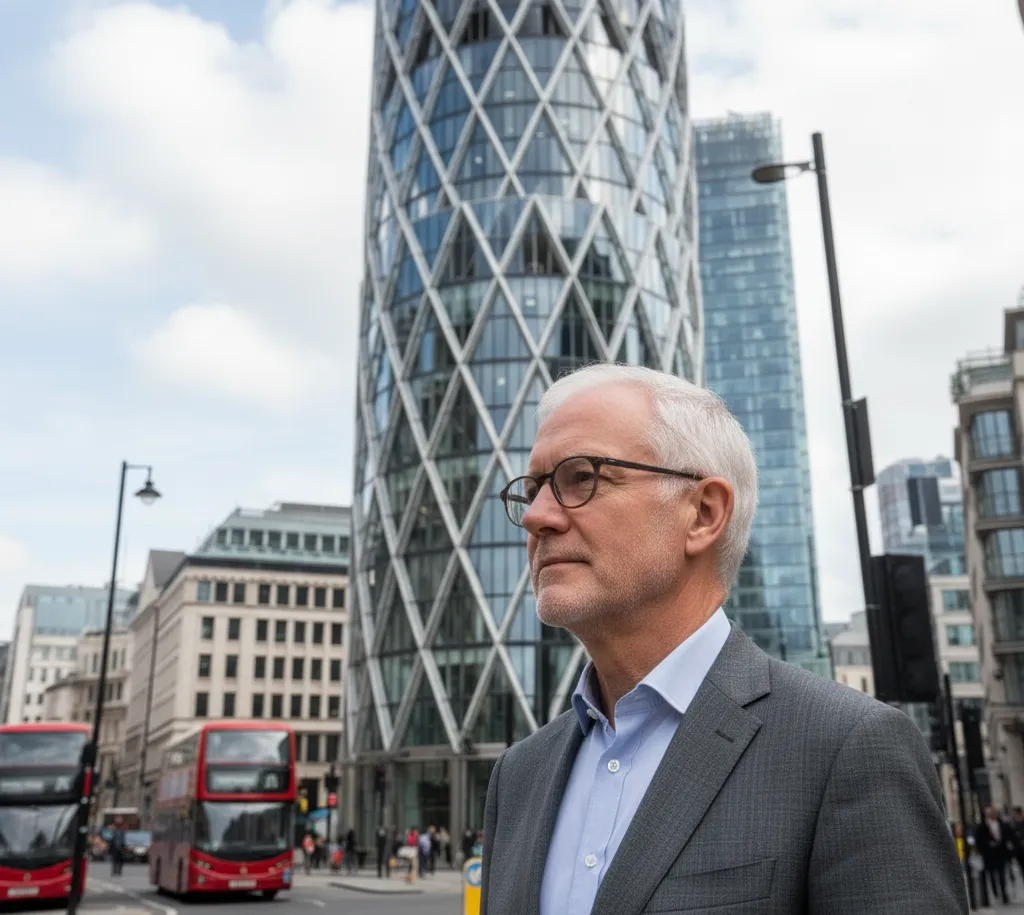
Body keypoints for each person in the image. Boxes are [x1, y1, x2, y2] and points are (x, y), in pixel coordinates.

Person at [479, 364, 968, 915]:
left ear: (704, 514)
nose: (537, 517)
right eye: (534, 489)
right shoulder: (518, 777)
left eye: (581, 477)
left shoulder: (846, 749)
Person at [974, 806, 1014, 903]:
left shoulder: (1002, 824)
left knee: (1002, 875)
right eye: (990, 813)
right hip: (989, 856)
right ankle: (996, 892)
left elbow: (1008, 837)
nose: (992, 814)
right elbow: (979, 840)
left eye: (993, 812)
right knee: (992, 875)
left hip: (1001, 854)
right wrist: (987, 846)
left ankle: (1004, 894)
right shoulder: (982, 826)